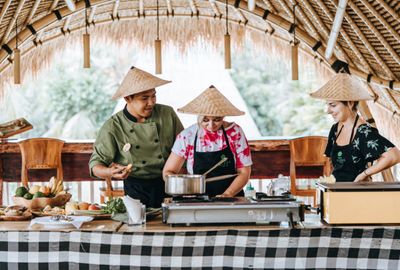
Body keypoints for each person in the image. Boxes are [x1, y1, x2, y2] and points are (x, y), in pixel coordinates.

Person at [89, 67, 183, 207]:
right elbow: (95, 165)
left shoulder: (167, 114)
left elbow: (185, 147)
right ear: (128, 98)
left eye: (153, 96)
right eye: (144, 98)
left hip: (170, 183)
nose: (151, 102)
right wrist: (110, 172)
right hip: (136, 188)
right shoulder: (114, 126)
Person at [163, 85, 252, 197]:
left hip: (232, 197)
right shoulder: (187, 136)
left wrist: (227, 194)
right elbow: (168, 172)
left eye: (217, 119)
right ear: (198, 116)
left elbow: (244, 172)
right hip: (196, 198)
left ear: (223, 116)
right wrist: (184, 187)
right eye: (205, 120)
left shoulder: (235, 132)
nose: (211, 125)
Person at [310, 73, 400, 182]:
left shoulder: (363, 132)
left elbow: (394, 155)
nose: (328, 111)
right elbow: (332, 164)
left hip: (357, 192)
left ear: (350, 103)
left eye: (333, 105)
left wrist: (364, 174)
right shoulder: (335, 129)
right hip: (336, 190)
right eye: (327, 105)